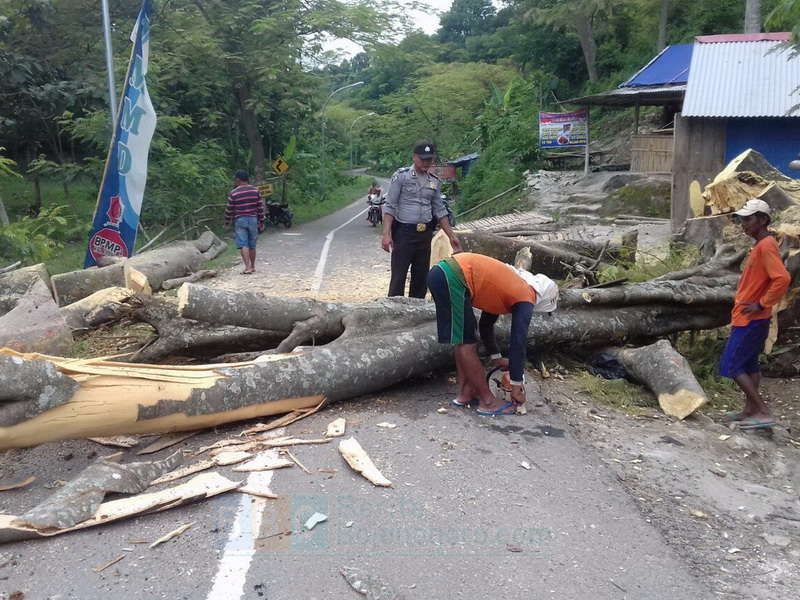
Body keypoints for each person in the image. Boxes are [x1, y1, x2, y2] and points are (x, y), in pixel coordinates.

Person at [427, 252, 559, 415]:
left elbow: (486, 325)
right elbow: (518, 343)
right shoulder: (526, 297)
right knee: (466, 343)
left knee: (463, 339)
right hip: (453, 276)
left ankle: (466, 393)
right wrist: (516, 384)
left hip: (445, 274)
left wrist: (497, 358)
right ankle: (488, 402)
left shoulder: (511, 286)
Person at [720, 198, 790, 429]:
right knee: (749, 364)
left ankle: (763, 411)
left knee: (731, 364)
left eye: (748, 220)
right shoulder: (761, 245)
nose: (744, 225)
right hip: (749, 317)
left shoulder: (766, 246)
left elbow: (782, 279)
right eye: (742, 220)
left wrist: (761, 304)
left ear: (762, 220)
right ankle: (750, 409)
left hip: (751, 318)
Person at [383, 140, 461, 298]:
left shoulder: (434, 181)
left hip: (424, 234)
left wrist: (451, 236)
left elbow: (440, 210)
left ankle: (416, 309)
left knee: (421, 277)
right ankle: (394, 309)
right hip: (404, 233)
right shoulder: (401, 176)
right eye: (423, 159)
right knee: (399, 276)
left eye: (429, 160)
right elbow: (390, 206)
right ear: (414, 157)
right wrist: (386, 234)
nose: (426, 163)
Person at [224, 170, 265, 275]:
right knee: (252, 245)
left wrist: (227, 221)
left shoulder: (234, 193)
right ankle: (253, 266)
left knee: (243, 244)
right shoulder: (255, 191)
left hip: (240, 220)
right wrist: (262, 221)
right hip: (253, 219)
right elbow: (260, 207)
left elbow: (229, 209)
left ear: (238, 179)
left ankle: (247, 267)